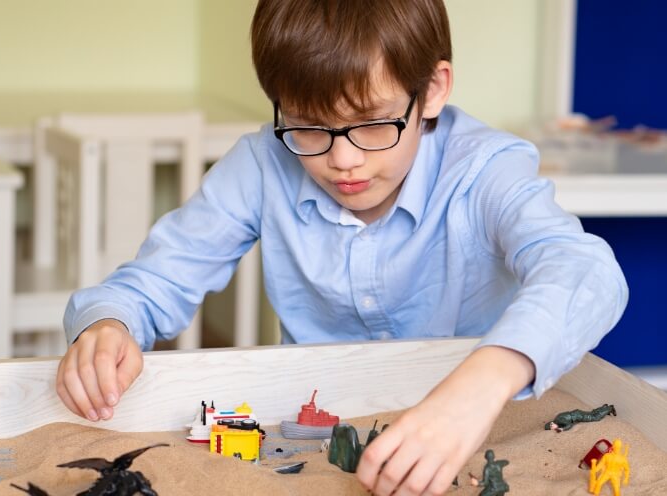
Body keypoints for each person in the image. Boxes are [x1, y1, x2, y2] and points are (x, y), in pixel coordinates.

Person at [56, 1, 628, 494]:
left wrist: (484, 381)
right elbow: (154, 283)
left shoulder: (484, 169)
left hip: (478, 418)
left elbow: (586, 270)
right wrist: (109, 324)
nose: (342, 160)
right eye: (307, 126)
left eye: (373, 124)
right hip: (319, 436)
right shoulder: (261, 164)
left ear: (431, 90)